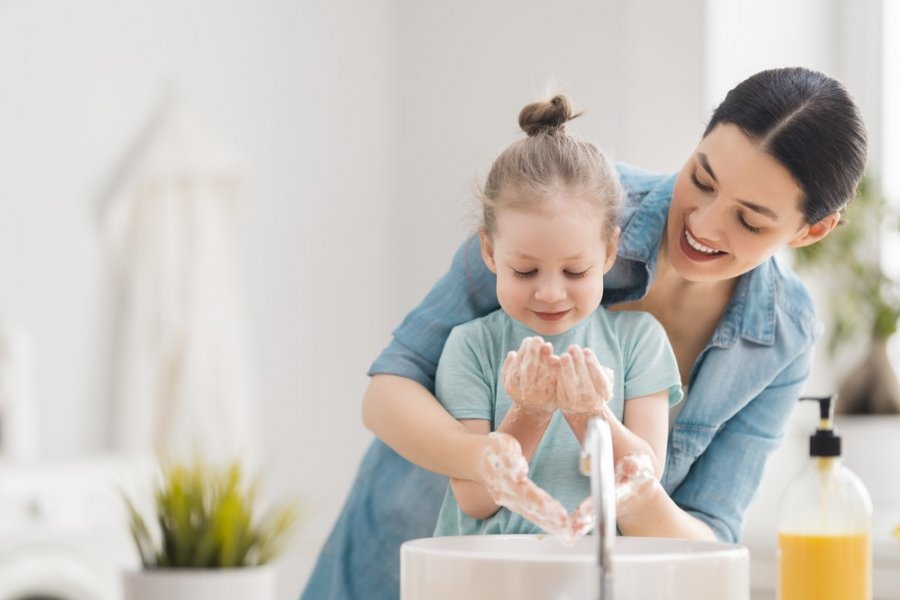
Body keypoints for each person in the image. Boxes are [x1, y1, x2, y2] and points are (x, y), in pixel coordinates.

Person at [301, 67, 868, 600]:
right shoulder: (570, 200)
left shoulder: (782, 339)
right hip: (403, 547)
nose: (703, 223)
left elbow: (707, 540)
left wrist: (635, 482)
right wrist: (485, 457)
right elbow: (388, 389)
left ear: (810, 230)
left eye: (749, 219)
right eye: (701, 178)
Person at [430, 95, 682, 541]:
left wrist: (591, 414)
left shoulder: (639, 342)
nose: (549, 292)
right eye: (525, 271)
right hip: (492, 578)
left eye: (574, 271)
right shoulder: (470, 346)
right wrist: (529, 412)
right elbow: (475, 497)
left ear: (608, 252)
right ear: (490, 252)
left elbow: (645, 478)